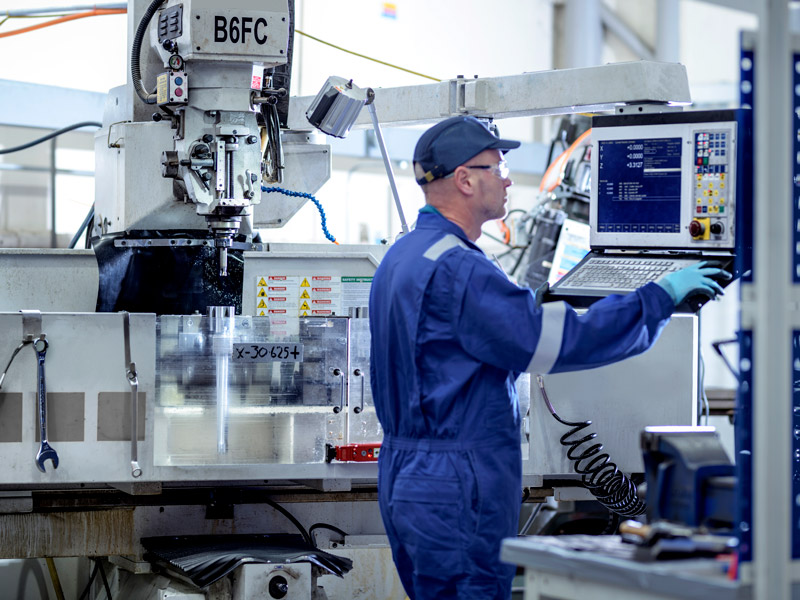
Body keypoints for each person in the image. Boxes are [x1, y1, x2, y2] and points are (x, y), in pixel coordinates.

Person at [368, 115, 730, 599]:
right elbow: (550, 341)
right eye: (496, 167)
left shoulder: (404, 255)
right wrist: (657, 298)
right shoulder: (459, 269)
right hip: (456, 483)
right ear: (464, 179)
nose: (507, 178)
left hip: (408, 475)